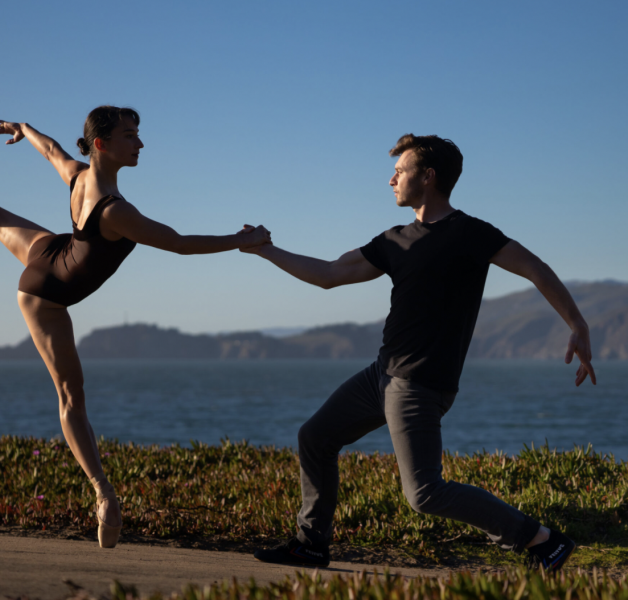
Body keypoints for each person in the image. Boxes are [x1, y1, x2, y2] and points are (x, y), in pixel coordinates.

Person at [0, 105, 270, 549]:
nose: (140, 143)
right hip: (47, 294)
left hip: (51, 250)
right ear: (103, 144)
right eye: (130, 136)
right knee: (71, 398)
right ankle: (103, 493)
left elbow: (51, 150)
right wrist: (240, 240)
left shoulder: (79, 176)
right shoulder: (116, 212)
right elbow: (178, 244)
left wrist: (23, 128)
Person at [247, 134, 595, 571]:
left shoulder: (471, 234)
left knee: (425, 493)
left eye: (401, 170)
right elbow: (330, 273)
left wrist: (577, 323)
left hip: (419, 385)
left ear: (428, 177)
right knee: (315, 437)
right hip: (382, 375)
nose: (391, 178)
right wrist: (266, 250)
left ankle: (542, 540)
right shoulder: (395, 240)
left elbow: (536, 269)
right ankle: (311, 544)